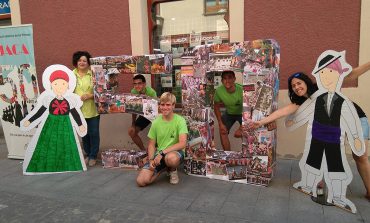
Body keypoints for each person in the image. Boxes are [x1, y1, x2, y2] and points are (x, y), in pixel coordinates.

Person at [252, 60, 370, 201]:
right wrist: (260, 121)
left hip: (356, 120)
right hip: (334, 128)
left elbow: (349, 75)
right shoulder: (300, 102)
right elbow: (281, 112)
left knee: (360, 156)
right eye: (293, 86)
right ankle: (319, 185)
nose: (296, 87)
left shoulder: (322, 85)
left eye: (299, 83)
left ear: (306, 82)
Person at [21, 65, 87, 174]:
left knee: (67, 145)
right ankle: (45, 166)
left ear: (67, 85)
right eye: (56, 84)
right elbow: (40, 112)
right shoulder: (48, 99)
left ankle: (67, 165)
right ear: (51, 85)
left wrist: (80, 124)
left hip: (66, 126)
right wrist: (30, 120)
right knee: (47, 145)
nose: (60, 86)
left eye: (63, 84)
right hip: (50, 125)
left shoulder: (69, 100)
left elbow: (75, 113)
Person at [136, 92, 188, 186]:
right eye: (162, 104)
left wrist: (162, 153)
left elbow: (182, 143)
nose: (164, 107)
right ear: (159, 106)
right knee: (141, 181)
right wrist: (151, 159)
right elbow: (151, 144)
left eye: (168, 105)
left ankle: (172, 170)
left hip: (175, 153)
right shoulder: (156, 122)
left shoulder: (180, 120)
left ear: (173, 106)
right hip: (159, 155)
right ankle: (163, 168)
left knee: (171, 159)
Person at [72, 51, 100, 167]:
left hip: (93, 109)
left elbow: (101, 89)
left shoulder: (93, 74)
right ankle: (87, 154)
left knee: (93, 133)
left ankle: (93, 155)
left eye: (84, 60)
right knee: (84, 133)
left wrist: (90, 95)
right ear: (76, 62)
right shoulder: (71, 75)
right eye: (80, 60)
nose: (82, 62)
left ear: (88, 63)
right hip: (78, 110)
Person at [214, 70, 243, 151]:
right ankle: (228, 155)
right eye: (225, 78)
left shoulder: (241, 90)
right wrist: (220, 123)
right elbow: (216, 106)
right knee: (223, 131)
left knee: (247, 131)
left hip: (243, 113)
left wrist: (241, 128)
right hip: (229, 113)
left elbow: (248, 109)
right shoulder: (219, 91)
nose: (227, 81)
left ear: (234, 79)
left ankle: (248, 154)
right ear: (222, 81)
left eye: (230, 78)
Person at [128, 74, 157, 151]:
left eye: (139, 83)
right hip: (143, 114)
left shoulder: (151, 92)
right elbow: (133, 109)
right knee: (131, 131)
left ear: (144, 84)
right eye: (135, 84)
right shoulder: (133, 91)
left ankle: (157, 152)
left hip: (153, 114)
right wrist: (133, 124)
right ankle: (143, 151)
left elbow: (155, 110)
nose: (137, 86)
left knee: (157, 133)